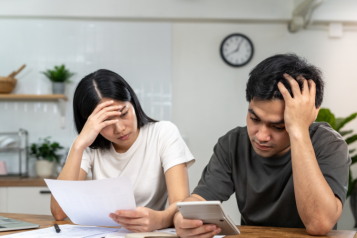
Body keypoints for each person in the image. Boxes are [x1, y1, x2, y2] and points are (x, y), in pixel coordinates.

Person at [173, 54, 350, 237]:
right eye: (254, 119)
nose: (261, 136)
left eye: (279, 126)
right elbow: (200, 199)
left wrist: (298, 130)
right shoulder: (232, 144)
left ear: (308, 114)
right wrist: (182, 218)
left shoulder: (329, 145)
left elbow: (319, 224)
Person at [51, 69, 195, 232]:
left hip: (150, 234)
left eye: (123, 113)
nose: (119, 129)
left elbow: (181, 205)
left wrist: (158, 220)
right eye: (105, 122)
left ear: (133, 102)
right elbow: (59, 212)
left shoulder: (163, 133)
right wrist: (78, 145)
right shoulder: (88, 145)